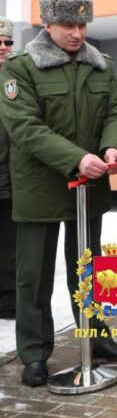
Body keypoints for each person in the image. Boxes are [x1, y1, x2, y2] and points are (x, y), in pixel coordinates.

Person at [0, 0, 117, 387]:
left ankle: (97, 336)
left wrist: (112, 146)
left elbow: (115, 112)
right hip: (40, 187)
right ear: (47, 25)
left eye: (82, 25)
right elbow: (24, 127)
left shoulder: (101, 64)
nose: (77, 33)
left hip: (89, 187)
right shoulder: (21, 68)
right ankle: (34, 353)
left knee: (92, 268)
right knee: (33, 276)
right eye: (68, 26)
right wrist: (77, 158)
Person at [0, 17, 16, 320]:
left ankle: (8, 301)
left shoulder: (17, 78)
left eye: (8, 42)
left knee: (10, 246)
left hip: (12, 179)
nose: (3, 47)